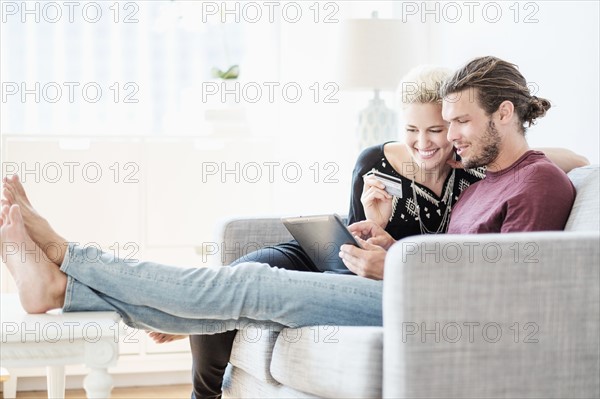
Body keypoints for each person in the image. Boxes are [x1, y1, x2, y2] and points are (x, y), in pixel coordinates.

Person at [1, 60, 587, 399]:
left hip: (426, 312)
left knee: (251, 287)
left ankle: (65, 256)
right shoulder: (485, 179)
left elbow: (508, 299)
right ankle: (63, 287)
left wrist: (402, 267)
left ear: (504, 115)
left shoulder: (536, 185)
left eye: (460, 122)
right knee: (250, 290)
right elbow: (463, 257)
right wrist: (390, 248)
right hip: (401, 291)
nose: (450, 137)